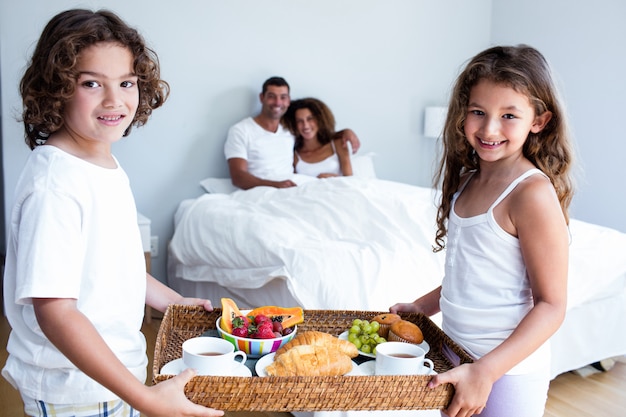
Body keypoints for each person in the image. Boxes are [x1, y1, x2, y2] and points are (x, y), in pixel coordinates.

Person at [1, 9, 223, 417]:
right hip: (77, 388)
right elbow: (56, 312)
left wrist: (174, 301)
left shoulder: (101, 164)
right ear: (57, 90)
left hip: (114, 376)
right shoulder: (56, 184)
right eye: (91, 83)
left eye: (126, 83)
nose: (114, 100)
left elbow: (112, 268)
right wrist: (148, 399)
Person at [390, 45, 574, 417]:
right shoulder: (467, 181)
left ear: (538, 120)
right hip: (456, 354)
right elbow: (474, 274)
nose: (490, 128)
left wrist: (486, 371)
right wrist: (423, 307)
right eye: (478, 112)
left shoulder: (531, 194)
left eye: (509, 115)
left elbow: (552, 306)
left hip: (505, 372)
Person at [224, 77, 360, 189]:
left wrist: (345, 132)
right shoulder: (241, 130)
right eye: (271, 96)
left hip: (292, 189)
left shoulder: (289, 129)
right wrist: (275, 185)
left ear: (288, 100)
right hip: (261, 190)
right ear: (262, 98)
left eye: (283, 97)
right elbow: (238, 177)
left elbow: (315, 132)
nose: (277, 102)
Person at [283, 97, 353, 178]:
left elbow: (350, 180)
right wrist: (317, 182)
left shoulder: (338, 144)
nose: (305, 125)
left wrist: (332, 178)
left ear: (320, 119)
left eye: (310, 119)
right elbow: (294, 186)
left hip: (338, 190)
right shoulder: (294, 156)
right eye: (299, 121)